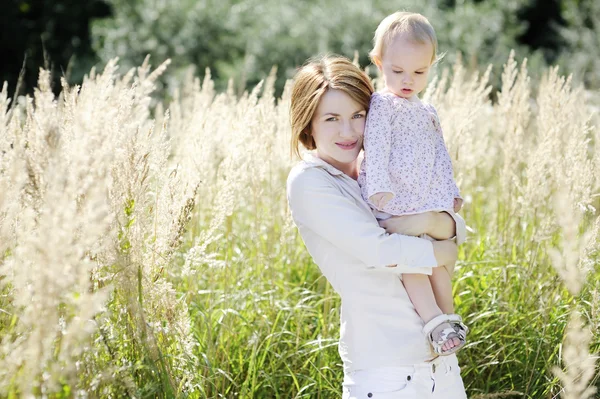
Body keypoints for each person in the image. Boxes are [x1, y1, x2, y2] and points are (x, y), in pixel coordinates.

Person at [287, 55, 468, 398]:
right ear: (308, 124)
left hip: (442, 366)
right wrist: (444, 245)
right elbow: (381, 251)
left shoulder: (379, 171)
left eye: (358, 116)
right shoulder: (310, 182)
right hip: (388, 372)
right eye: (331, 119)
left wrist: (434, 222)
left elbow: (451, 222)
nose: (348, 131)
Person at [357, 11, 468, 356]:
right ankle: (434, 319)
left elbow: (441, 154)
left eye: (419, 72)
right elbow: (376, 147)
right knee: (414, 261)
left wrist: (452, 192)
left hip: (424, 197)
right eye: (397, 71)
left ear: (431, 65)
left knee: (436, 263)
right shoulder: (383, 104)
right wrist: (378, 188)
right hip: (393, 196)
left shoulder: (428, 110)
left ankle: (449, 316)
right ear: (378, 62)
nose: (408, 80)